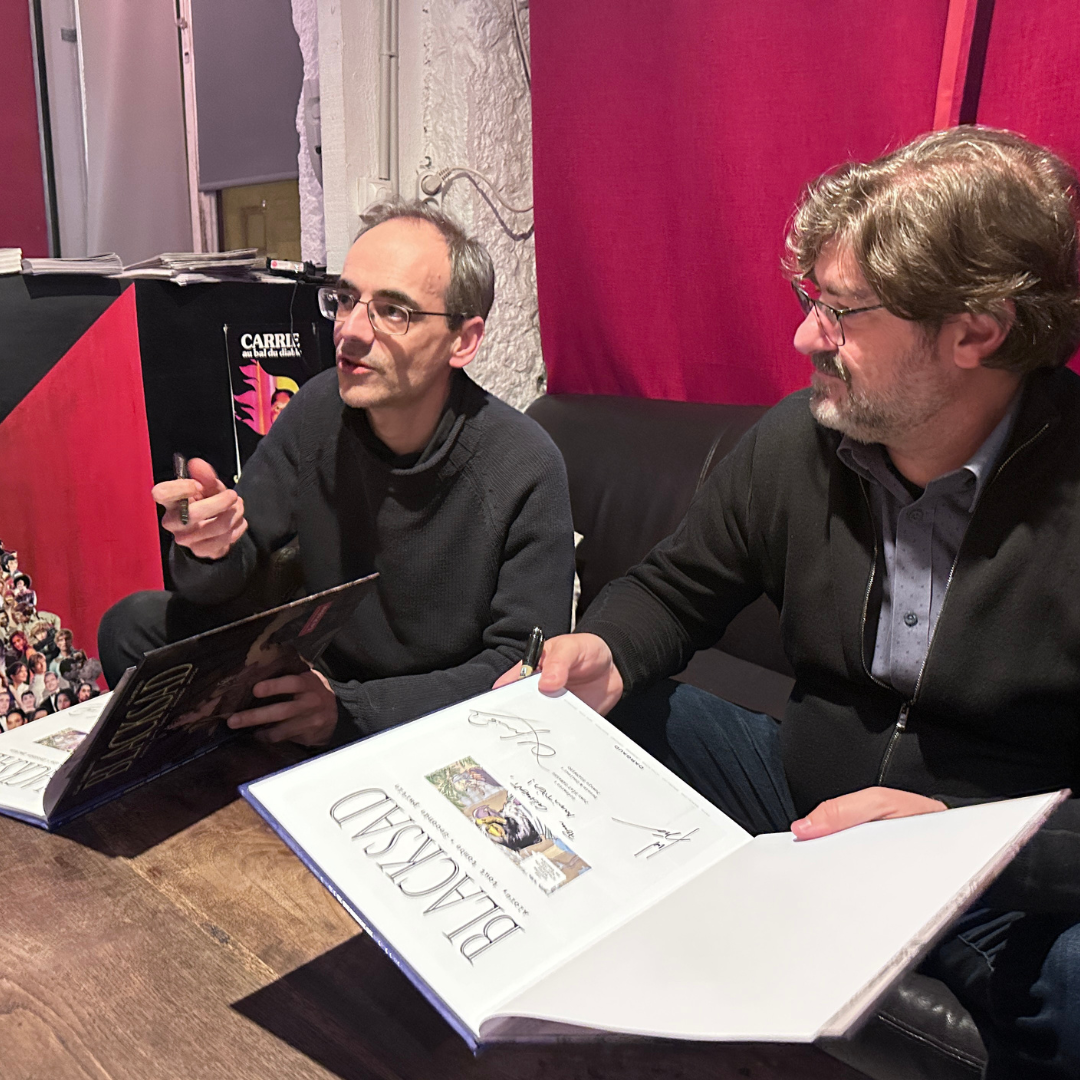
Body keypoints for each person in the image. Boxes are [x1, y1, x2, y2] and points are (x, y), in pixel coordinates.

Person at [499, 128, 1080, 1078]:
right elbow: (673, 590)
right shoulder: (797, 443)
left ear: (978, 331)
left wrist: (964, 841)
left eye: (842, 312)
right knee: (589, 718)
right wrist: (603, 650)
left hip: (988, 863)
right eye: (814, 302)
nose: (807, 337)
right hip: (805, 795)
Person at [99, 199, 574, 747]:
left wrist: (351, 712)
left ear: (462, 341)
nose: (350, 331)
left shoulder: (524, 465)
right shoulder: (320, 408)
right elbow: (233, 570)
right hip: (318, 676)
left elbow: (523, 664)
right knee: (133, 626)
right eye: (346, 300)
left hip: (427, 717)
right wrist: (210, 546)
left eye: (392, 311)